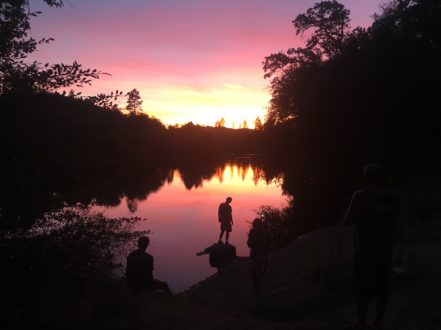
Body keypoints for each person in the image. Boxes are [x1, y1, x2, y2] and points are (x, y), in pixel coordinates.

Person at [345, 163, 400, 329]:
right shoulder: (394, 197)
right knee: (383, 289)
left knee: (362, 291)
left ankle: (361, 322)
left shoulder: (360, 196)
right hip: (385, 250)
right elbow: (395, 219)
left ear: (367, 178)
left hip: (365, 252)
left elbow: (349, 219)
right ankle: (378, 321)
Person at [247, 218, 270, 295]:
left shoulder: (263, 233)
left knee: (254, 271)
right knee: (254, 272)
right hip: (254, 255)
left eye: (256, 225)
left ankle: (259, 288)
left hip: (260, 255)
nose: (255, 226)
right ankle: (258, 287)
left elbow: (266, 244)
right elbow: (249, 243)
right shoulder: (253, 232)